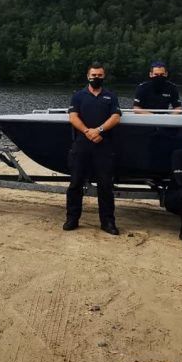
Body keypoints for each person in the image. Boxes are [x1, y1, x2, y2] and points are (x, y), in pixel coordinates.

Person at [65, 62, 122, 235]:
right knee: (75, 183)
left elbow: (116, 117)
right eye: (93, 75)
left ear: (103, 76)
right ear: (88, 76)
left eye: (99, 75)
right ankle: (72, 219)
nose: (96, 78)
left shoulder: (110, 96)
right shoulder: (78, 95)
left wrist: (99, 130)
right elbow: (73, 117)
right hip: (81, 145)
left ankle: (108, 222)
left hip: (103, 146)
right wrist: (87, 131)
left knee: (105, 185)